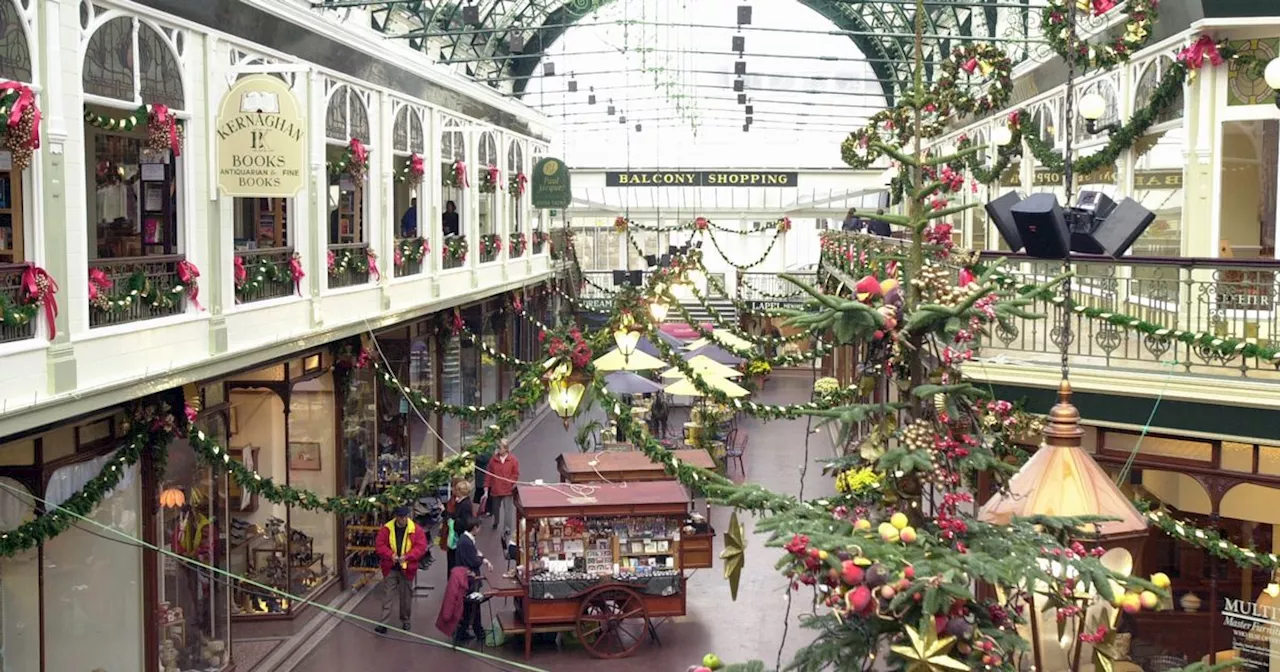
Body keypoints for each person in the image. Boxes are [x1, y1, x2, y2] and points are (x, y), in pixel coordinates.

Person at [374, 505, 427, 633]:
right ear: (396, 517)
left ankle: (405, 620)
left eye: (404, 517)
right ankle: (383, 623)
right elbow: (380, 545)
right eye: (400, 517)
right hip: (391, 567)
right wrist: (390, 555)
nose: (402, 519)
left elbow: (421, 547)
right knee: (388, 595)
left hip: (407, 568)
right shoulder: (386, 529)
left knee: (406, 596)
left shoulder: (416, 530)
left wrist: (407, 557)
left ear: (407, 516)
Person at [453, 519, 493, 643]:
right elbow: (472, 561)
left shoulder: (466, 540)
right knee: (472, 607)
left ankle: (473, 631)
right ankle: (468, 632)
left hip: (469, 579)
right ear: (475, 528)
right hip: (470, 580)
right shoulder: (466, 543)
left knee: (471, 607)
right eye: (479, 528)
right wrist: (481, 560)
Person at [486, 439, 520, 534]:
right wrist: (486, 486)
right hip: (496, 488)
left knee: (508, 510)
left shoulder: (513, 460)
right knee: (495, 508)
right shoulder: (493, 460)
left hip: (507, 490)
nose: (498, 450)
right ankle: (496, 522)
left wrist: (510, 482)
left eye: (500, 448)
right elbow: (489, 473)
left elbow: (515, 474)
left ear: (506, 449)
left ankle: (507, 528)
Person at [441, 479, 474, 571]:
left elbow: (464, 522)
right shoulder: (462, 503)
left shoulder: (465, 505)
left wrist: (452, 521)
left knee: (454, 562)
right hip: (457, 537)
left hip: (457, 538)